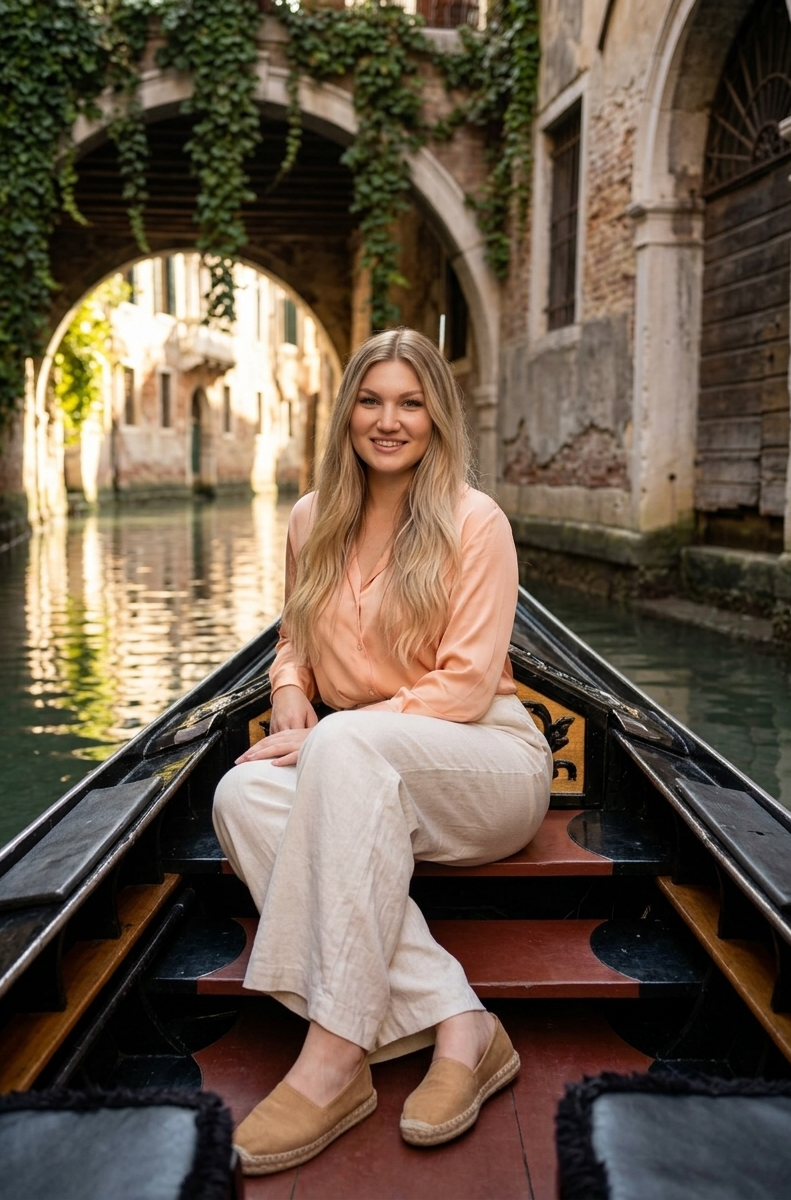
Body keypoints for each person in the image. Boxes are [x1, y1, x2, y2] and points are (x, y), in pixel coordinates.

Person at [213, 328, 552, 1176]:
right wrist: (293, 703)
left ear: (437, 415)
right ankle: (461, 1022)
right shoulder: (309, 518)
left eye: (410, 402)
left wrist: (332, 733)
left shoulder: (477, 522)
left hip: (484, 765)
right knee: (238, 797)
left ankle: (333, 1063)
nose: (388, 420)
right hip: (357, 763)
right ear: (348, 413)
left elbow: (469, 686)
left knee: (345, 745)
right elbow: (292, 642)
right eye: (371, 400)